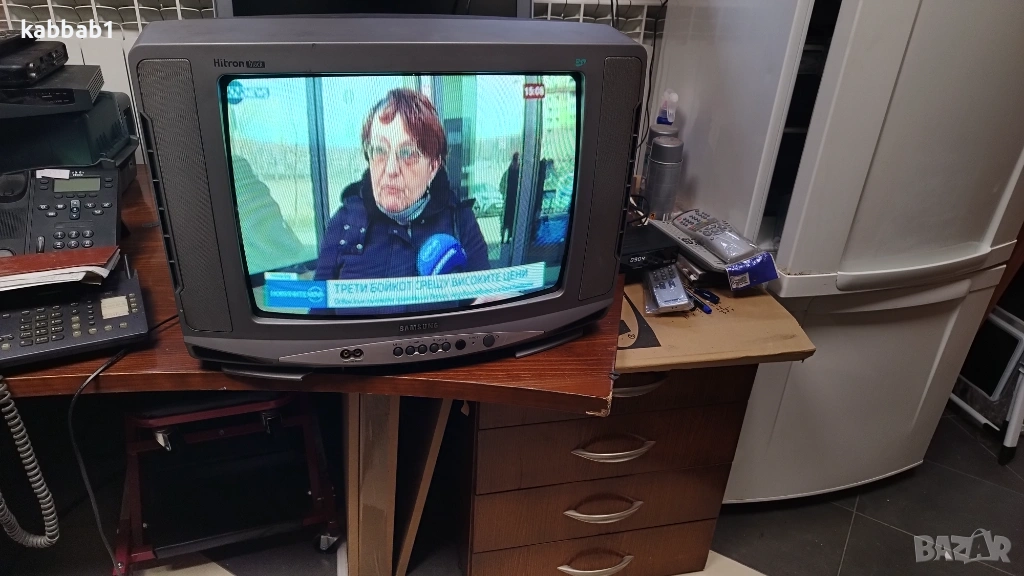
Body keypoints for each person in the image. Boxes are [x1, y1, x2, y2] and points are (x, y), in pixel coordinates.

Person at [314, 88, 489, 313]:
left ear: (433, 166)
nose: (391, 170)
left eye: (408, 153)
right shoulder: (345, 222)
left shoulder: (461, 222)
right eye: (379, 150)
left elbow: (482, 307)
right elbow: (318, 315)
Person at [499, 152, 520, 244]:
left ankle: (509, 238)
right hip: (508, 201)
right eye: (515, 160)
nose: (516, 163)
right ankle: (503, 238)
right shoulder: (508, 173)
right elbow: (501, 185)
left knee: (512, 221)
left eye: (517, 160)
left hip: (515, 202)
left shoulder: (520, 174)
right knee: (505, 220)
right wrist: (504, 194)